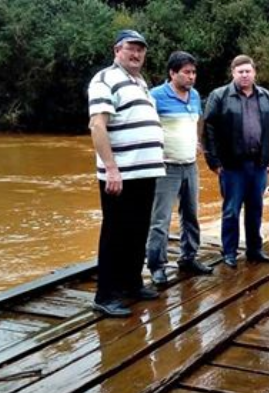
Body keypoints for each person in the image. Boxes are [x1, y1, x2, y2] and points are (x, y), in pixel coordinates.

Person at [87, 30, 165, 317]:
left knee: (138, 230)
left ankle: (132, 283)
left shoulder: (140, 82)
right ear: (116, 50)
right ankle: (105, 295)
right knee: (115, 232)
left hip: (146, 171)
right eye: (131, 49)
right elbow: (97, 125)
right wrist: (111, 169)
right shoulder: (105, 79)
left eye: (141, 50)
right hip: (121, 173)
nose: (137, 54)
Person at [204, 55, 269, 268]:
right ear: (233, 73)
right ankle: (229, 252)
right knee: (231, 210)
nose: (245, 75)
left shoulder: (265, 96)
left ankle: (254, 249)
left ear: (254, 72)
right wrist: (213, 161)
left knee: (256, 208)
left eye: (248, 71)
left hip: (259, 164)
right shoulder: (219, 96)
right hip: (231, 165)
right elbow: (208, 129)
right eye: (240, 72)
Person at [146, 51, 213, 285]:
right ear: (172, 73)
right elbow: (145, 125)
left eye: (194, 72)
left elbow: (199, 120)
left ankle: (189, 257)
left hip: (190, 165)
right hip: (166, 167)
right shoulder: (155, 96)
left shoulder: (194, 96)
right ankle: (157, 266)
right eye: (186, 72)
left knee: (191, 215)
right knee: (160, 219)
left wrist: (197, 142)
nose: (191, 77)